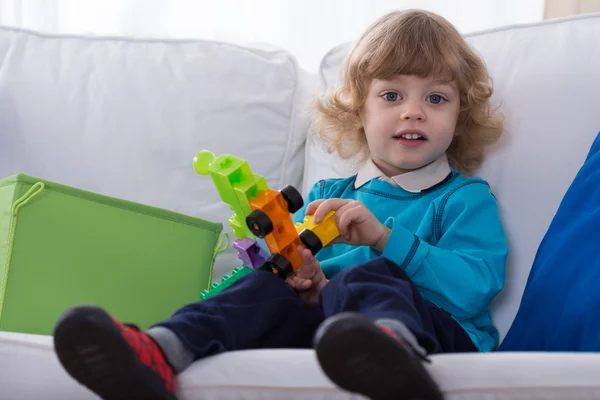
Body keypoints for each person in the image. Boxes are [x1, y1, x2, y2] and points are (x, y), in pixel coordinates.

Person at [52, 9, 508, 400]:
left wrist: (385, 238)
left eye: (436, 98)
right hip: (335, 339)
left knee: (371, 274)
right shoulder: (327, 195)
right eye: (391, 95)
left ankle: (394, 356)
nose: (413, 111)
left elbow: (474, 288)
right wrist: (301, 277)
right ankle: (160, 351)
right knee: (264, 285)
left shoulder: (463, 198)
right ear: (359, 112)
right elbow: (292, 274)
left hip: (441, 338)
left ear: (459, 117)